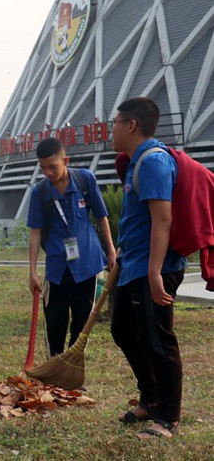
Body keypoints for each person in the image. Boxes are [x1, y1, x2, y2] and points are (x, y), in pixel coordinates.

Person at [110, 97, 185, 439]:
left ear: (131, 126)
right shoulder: (135, 161)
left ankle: (168, 416)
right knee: (124, 330)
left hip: (153, 268)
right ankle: (151, 398)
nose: (111, 128)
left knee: (158, 340)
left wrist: (156, 273)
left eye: (115, 122)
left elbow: (163, 219)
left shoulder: (153, 162)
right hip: (134, 265)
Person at [26, 137, 116, 357]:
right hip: (57, 265)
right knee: (55, 318)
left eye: (52, 167)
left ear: (65, 160)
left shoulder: (85, 180)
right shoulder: (40, 192)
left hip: (87, 261)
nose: (48, 173)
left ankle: (73, 367)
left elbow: (102, 216)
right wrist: (32, 271)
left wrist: (111, 252)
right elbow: (36, 232)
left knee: (82, 319)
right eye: (43, 168)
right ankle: (54, 368)